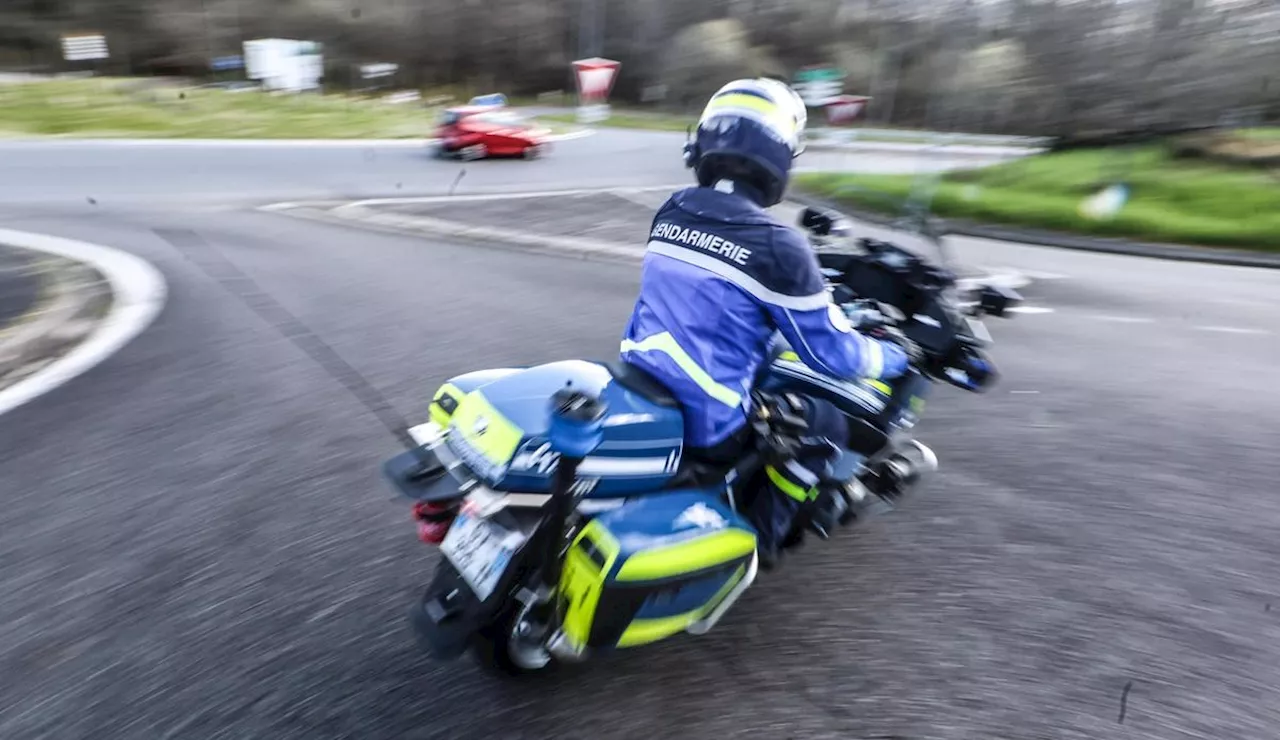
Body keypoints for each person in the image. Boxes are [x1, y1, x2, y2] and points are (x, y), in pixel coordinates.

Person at [619, 78, 917, 568]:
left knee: (768, 373)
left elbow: (717, 303)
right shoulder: (778, 244)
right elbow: (832, 355)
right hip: (710, 418)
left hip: (643, 376)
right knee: (822, 424)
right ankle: (763, 540)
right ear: (780, 154)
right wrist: (892, 355)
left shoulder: (673, 209)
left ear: (704, 143)